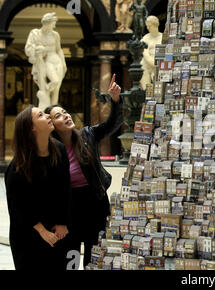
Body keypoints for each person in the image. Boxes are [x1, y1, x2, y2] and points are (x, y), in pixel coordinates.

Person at [45, 74, 123, 268]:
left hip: (95, 202)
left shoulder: (88, 134)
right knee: (71, 256)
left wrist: (115, 100)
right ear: (52, 124)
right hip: (70, 207)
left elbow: (112, 124)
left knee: (94, 256)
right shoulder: (51, 149)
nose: (66, 115)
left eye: (65, 112)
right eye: (58, 116)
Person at [5, 105, 71, 270]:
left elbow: (65, 189)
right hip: (28, 234)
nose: (48, 116)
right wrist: (42, 231)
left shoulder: (60, 150)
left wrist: (62, 222)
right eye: (41, 115)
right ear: (32, 128)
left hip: (57, 231)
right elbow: (18, 206)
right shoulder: (17, 167)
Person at [25, 12, 67, 109]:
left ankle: (54, 110)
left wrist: (63, 63)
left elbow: (59, 49)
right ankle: (46, 105)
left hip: (57, 61)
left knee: (56, 89)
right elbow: (29, 48)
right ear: (47, 23)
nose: (54, 25)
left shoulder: (55, 35)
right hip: (46, 61)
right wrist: (37, 49)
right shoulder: (36, 34)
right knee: (54, 81)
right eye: (53, 23)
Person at [140, 16, 163, 89]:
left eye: (149, 26)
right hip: (148, 63)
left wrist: (157, 64)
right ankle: (146, 91)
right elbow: (145, 54)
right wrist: (153, 63)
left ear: (155, 25)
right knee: (143, 67)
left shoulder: (163, 37)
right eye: (147, 26)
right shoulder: (145, 38)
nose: (148, 28)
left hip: (160, 62)